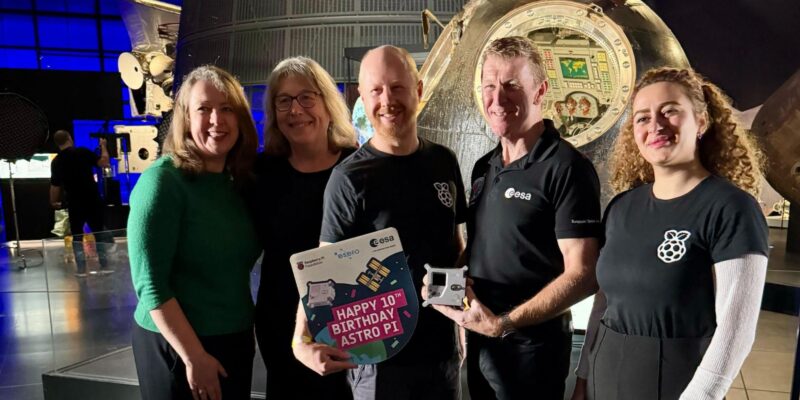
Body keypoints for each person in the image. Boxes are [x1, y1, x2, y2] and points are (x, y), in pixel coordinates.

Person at [571, 67, 768, 400]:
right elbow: (604, 303)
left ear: (701, 122)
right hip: (604, 376)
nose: (656, 126)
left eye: (670, 112)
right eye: (643, 118)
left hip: (676, 384)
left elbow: (736, 333)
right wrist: (583, 378)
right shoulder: (622, 207)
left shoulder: (732, 209)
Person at [424, 36, 601, 400]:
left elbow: (584, 274)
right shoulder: (483, 168)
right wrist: (447, 286)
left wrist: (504, 324)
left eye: (511, 86)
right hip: (481, 342)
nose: (497, 98)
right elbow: (481, 246)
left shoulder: (566, 168)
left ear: (540, 91)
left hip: (532, 351)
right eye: (489, 85)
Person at [291, 45, 467, 400]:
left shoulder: (444, 161)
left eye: (397, 87)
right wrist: (300, 340)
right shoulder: (350, 178)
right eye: (376, 90)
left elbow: (456, 246)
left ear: (418, 90)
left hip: (441, 354)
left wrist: (464, 329)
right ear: (362, 98)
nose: (388, 100)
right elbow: (324, 272)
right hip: (379, 361)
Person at [128, 65, 261, 400]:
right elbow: (151, 285)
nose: (217, 121)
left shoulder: (239, 183)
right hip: (178, 346)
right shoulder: (162, 183)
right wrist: (194, 356)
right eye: (204, 109)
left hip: (234, 337)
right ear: (185, 117)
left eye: (227, 108)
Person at [252, 56, 357, 399]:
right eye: (284, 101)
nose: (295, 110)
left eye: (307, 97)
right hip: (279, 321)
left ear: (328, 104)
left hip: (347, 320)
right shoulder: (262, 173)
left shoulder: (357, 168)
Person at [49, 130, 113, 277]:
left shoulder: (57, 161)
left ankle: (81, 270)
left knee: (77, 237)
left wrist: (53, 202)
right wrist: (103, 146)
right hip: (92, 199)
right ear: (70, 138)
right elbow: (104, 162)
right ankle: (104, 266)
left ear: (57, 144)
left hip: (74, 202)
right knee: (98, 233)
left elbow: (55, 185)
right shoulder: (82, 152)